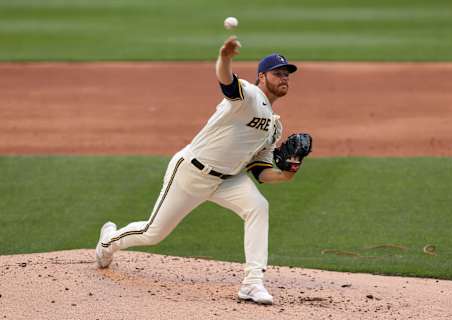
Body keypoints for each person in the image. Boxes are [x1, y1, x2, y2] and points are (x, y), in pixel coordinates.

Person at [95, 36, 308, 305]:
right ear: (262, 77)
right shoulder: (249, 96)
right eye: (278, 73)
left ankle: (252, 284)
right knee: (153, 233)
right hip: (191, 172)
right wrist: (225, 57)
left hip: (228, 180)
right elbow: (227, 82)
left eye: (287, 74)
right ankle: (108, 242)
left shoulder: (274, 127)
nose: (284, 78)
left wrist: (288, 174)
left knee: (258, 206)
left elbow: (261, 172)